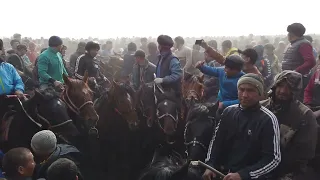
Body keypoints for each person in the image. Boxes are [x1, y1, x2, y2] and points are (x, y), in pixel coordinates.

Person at [203, 73, 281, 180]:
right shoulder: (228, 112)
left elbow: (273, 158)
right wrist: (210, 165)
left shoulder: (268, 119)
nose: (244, 95)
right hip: (223, 173)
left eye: (250, 90)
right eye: (241, 89)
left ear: (260, 94)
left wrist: (244, 175)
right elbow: (216, 142)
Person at [261, 70, 317, 179]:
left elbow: (303, 156)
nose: (283, 91)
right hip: (257, 166)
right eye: (280, 86)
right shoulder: (261, 107)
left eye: (289, 87)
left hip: (286, 171)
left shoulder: (304, 116)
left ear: (296, 91)